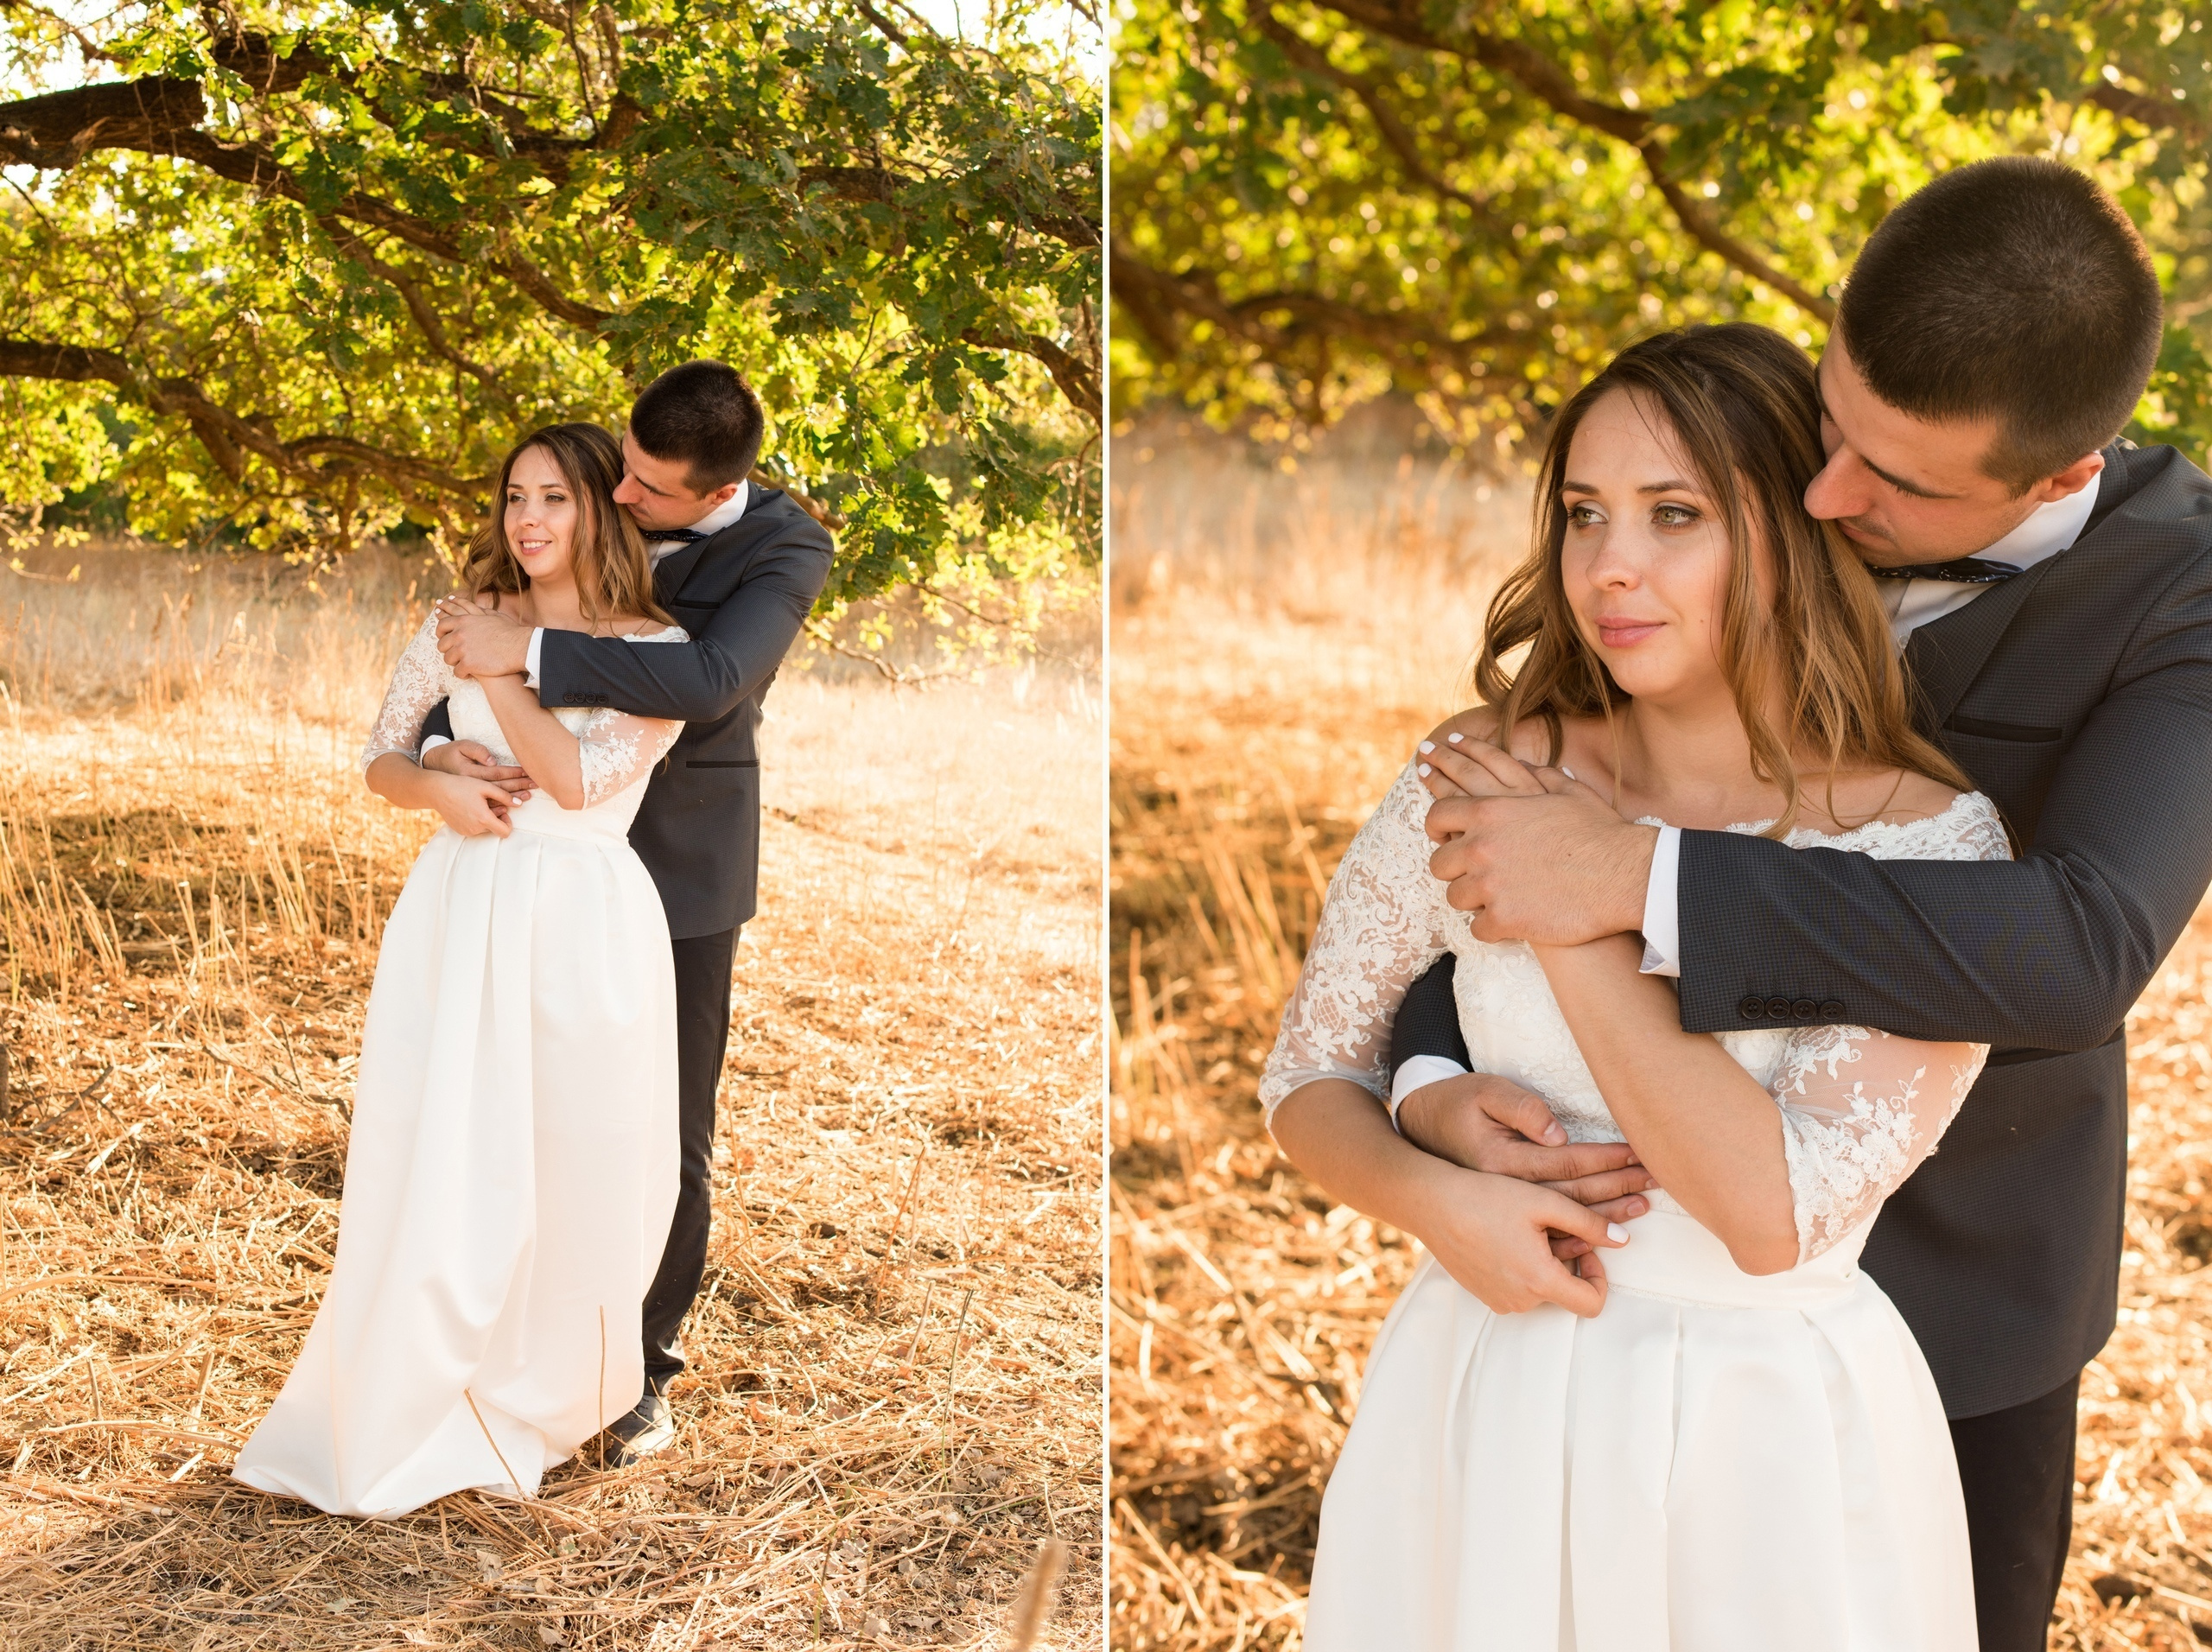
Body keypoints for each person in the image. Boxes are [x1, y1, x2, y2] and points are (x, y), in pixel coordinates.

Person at [1384, 157, 2196, 1650]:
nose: (1828, 495)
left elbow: (2079, 947)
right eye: (1833, 425)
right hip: (1607, 1285)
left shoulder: (2187, 590)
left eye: (1895, 483)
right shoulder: (1760, 448)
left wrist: (1638, 882)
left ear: (2058, 476)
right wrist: (1432, 1071)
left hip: (1958, 1295)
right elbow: (1545, 822)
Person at [1264, 321, 2007, 1644]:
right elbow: (1311, 1073)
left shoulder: (1928, 845)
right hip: (1485, 1381)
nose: (1611, 568)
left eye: (1676, 516)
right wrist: (1436, 1198)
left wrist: (1571, 905)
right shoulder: (1479, 766)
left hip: (1763, 1440)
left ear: (1795, 529)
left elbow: (1769, 1215)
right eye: (1585, 514)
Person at [234, 423, 689, 1516]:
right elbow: (378, 755)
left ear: (602, 512)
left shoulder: (662, 650)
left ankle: (544, 1395)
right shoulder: (460, 618)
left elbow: (579, 783)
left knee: (576, 1154)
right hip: (463, 905)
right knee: (453, 1147)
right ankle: (426, 1382)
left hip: (585, 921)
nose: (528, 520)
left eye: (556, 499)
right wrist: (433, 775)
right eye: (514, 496)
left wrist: (506, 672)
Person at [423, 361, 835, 1464]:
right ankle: (503, 1339)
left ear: (714, 493)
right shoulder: (599, 488)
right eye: (624, 467)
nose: (621, 498)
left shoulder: (787, 548)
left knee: (664, 1122)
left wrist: (533, 657)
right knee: (515, 1103)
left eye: (649, 492)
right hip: (533, 856)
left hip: (679, 862)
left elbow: (707, 681)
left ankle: (638, 1367)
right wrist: (434, 747)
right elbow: (448, 666)